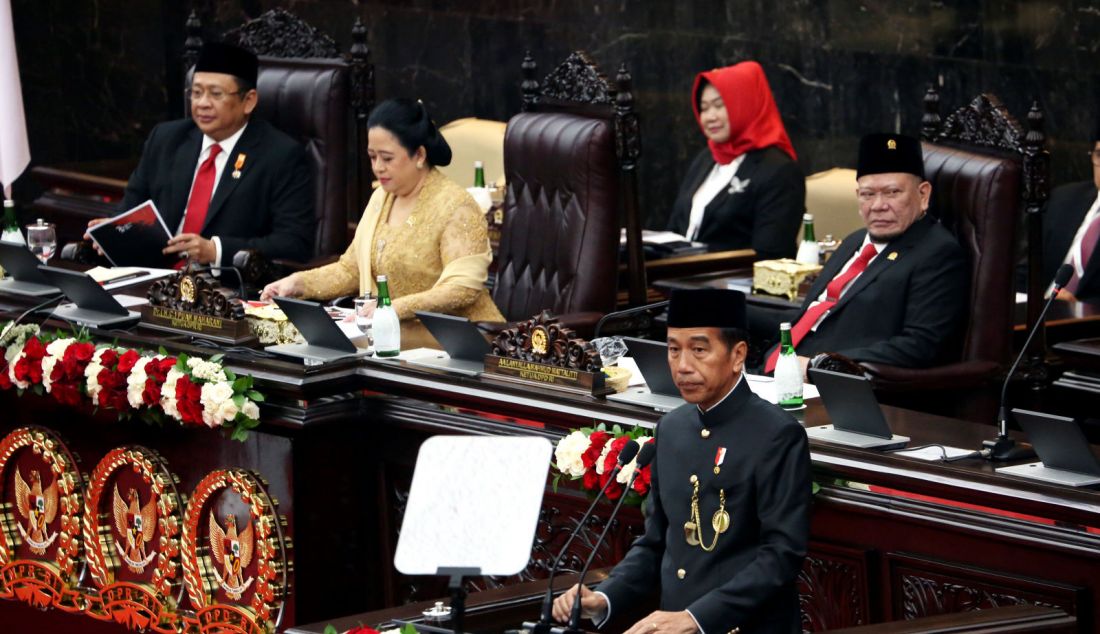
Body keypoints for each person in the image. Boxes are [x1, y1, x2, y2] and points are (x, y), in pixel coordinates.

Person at [553, 288, 812, 634]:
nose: (683, 365)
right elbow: (655, 542)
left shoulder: (776, 434)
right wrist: (604, 597)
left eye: (699, 350)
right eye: (674, 349)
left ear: (738, 355)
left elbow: (781, 556)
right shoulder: (672, 428)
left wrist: (697, 619)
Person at [260, 98, 503, 349]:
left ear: (419, 155)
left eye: (387, 158)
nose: (378, 168)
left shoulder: (455, 205)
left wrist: (392, 309)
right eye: (372, 157)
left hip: (456, 341)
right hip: (389, 333)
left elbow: (462, 288)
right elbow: (350, 271)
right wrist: (297, 284)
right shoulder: (381, 197)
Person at [756, 133, 969, 377]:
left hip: (833, 386)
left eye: (892, 193)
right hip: (777, 370)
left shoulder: (937, 253)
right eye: (868, 194)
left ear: (923, 195)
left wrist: (821, 364)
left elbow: (919, 346)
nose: (878, 205)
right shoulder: (855, 240)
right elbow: (814, 316)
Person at [86, 41, 315, 266]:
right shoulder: (166, 139)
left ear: (248, 101)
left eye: (216, 94)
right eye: (196, 93)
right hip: (154, 278)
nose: (202, 104)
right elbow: (130, 208)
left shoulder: (280, 155)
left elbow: (294, 243)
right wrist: (114, 230)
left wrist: (216, 251)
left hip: (224, 290)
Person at [666, 61, 805, 259]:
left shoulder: (779, 170)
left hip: (732, 285)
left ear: (745, 105)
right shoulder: (707, 158)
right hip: (678, 279)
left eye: (719, 105)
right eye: (704, 108)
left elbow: (770, 254)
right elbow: (675, 227)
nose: (710, 117)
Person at [1034, 129, 1100, 302]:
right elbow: (1027, 270)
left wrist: (1079, 308)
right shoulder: (1063, 199)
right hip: (1036, 314)